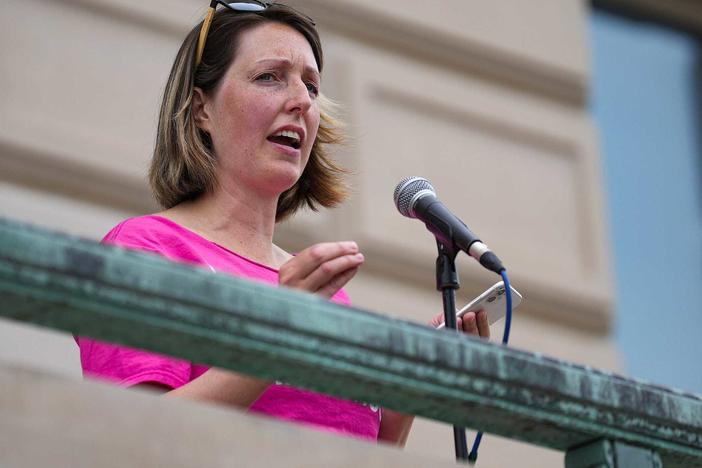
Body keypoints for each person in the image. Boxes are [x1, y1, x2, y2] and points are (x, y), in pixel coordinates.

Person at [76, 0, 490, 446]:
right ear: (201, 109)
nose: (301, 102)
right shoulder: (146, 249)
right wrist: (276, 337)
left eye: (311, 86)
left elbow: (356, 448)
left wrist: (414, 386)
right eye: (269, 77)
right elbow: (131, 439)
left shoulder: (321, 290)